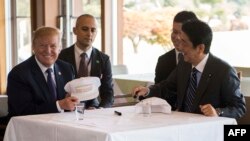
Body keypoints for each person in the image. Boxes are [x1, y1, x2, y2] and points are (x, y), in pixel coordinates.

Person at [132, 20, 246, 118]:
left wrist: (218, 112)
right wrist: (148, 91)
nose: (180, 47)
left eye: (184, 43)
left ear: (200, 48)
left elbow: (239, 107)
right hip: (181, 125)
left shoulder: (224, 71)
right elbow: (167, 87)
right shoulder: (184, 64)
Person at [7, 26, 79, 117]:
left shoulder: (67, 69)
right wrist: (59, 105)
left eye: (53, 46)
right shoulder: (19, 74)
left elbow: (74, 99)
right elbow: (23, 110)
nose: (48, 51)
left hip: (62, 126)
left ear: (60, 48)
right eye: (42, 46)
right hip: (30, 129)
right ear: (33, 47)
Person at [59, 14, 114, 108]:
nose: (89, 34)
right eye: (85, 29)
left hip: (94, 110)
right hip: (67, 110)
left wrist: (100, 109)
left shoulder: (104, 59)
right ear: (74, 30)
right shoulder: (61, 56)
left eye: (93, 30)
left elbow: (108, 94)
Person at [155, 11, 198, 84]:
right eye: (174, 32)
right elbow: (158, 92)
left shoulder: (205, 61)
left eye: (181, 33)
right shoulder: (163, 61)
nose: (177, 37)